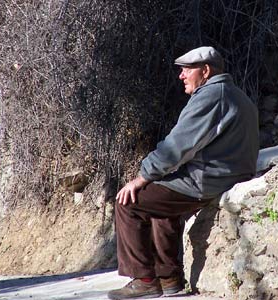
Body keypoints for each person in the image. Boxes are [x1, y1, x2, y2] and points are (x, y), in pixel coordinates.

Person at [108, 46, 259, 299]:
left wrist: (143, 176)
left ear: (206, 70)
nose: (181, 76)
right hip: (226, 175)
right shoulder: (234, 94)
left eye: (187, 70)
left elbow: (177, 146)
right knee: (161, 200)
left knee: (130, 202)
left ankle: (144, 279)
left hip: (207, 180)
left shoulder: (211, 96)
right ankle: (169, 279)